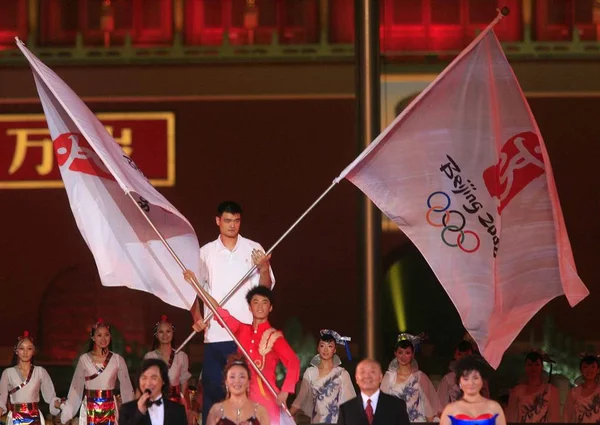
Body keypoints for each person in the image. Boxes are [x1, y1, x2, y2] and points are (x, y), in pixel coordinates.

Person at [190, 201, 275, 425]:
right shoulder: (205, 253)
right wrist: (197, 317)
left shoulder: (253, 248)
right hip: (215, 337)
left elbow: (264, 290)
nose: (232, 225)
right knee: (213, 393)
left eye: (236, 221)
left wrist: (264, 268)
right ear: (218, 221)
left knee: (247, 396)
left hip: (246, 336)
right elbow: (193, 290)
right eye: (227, 220)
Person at [193, 285, 299, 425]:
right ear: (249, 307)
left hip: (266, 403)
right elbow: (219, 312)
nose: (260, 306)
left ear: (270, 308)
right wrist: (196, 285)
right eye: (255, 302)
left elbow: (293, 362)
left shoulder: (274, 337)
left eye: (264, 302)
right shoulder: (242, 330)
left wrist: (285, 391)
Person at [59, 319, 135, 425]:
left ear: (110, 337)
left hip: (110, 408)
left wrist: (130, 412)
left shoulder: (117, 359)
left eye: (106, 335)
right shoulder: (84, 359)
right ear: (93, 337)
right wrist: (68, 411)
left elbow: (126, 388)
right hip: (90, 408)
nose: (103, 339)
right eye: (99, 335)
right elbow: (76, 388)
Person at [291, 329, 356, 423]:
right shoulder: (310, 372)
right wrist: (288, 414)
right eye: (322, 346)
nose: (325, 350)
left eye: (330, 346)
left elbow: (350, 403)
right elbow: (300, 398)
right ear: (318, 348)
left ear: (335, 350)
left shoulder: (342, 373)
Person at [0, 331, 61, 425]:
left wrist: (61, 405)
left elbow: (50, 396)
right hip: (15, 418)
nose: (25, 352)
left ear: (33, 351)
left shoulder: (40, 371)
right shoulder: (8, 373)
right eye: (21, 348)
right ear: (16, 351)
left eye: (29, 348)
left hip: (35, 417)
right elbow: (1, 399)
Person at [380, 333, 440, 422]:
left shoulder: (420, 376)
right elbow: (382, 403)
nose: (403, 356)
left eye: (407, 353)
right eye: (400, 352)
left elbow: (427, 403)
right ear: (395, 353)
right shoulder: (389, 376)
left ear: (412, 354)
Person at [337, 359, 410, 425]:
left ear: (381, 377)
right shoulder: (346, 409)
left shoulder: (397, 406)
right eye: (362, 372)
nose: (367, 376)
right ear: (356, 378)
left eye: (372, 372)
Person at [439, 355, 506, 425]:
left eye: (475, 378)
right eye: (466, 379)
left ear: (482, 381)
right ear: (459, 382)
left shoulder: (494, 407)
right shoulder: (450, 410)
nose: (471, 383)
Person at [119, 358, 187, 425]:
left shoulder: (178, 410)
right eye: (144, 378)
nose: (148, 383)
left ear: (163, 381)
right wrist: (139, 413)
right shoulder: (127, 409)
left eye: (154, 378)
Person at [206, 354, 270, 425]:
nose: (237, 381)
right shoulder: (215, 410)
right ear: (226, 382)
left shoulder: (260, 411)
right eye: (232, 377)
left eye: (242, 377)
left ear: (248, 382)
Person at [506, 350, 561, 423]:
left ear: (542, 367)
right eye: (529, 365)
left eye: (537, 364)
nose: (533, 368)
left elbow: (554, 418)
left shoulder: (551, 391)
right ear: (525, 367)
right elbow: (511, 417)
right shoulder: (517, 391)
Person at [438, 340, 490, 411]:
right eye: (459, 354)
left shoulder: (480, 377)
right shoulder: (448, 379)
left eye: (466, 354)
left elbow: (486, 402)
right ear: (455, 355)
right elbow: (440, 405)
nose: (463, 358)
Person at [563, 354, 600, 423]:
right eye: (586, 367)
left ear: (598, 370)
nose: (589, 370)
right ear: (581, 370)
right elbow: (567, 416)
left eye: (593, 367)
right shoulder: (574, 392)